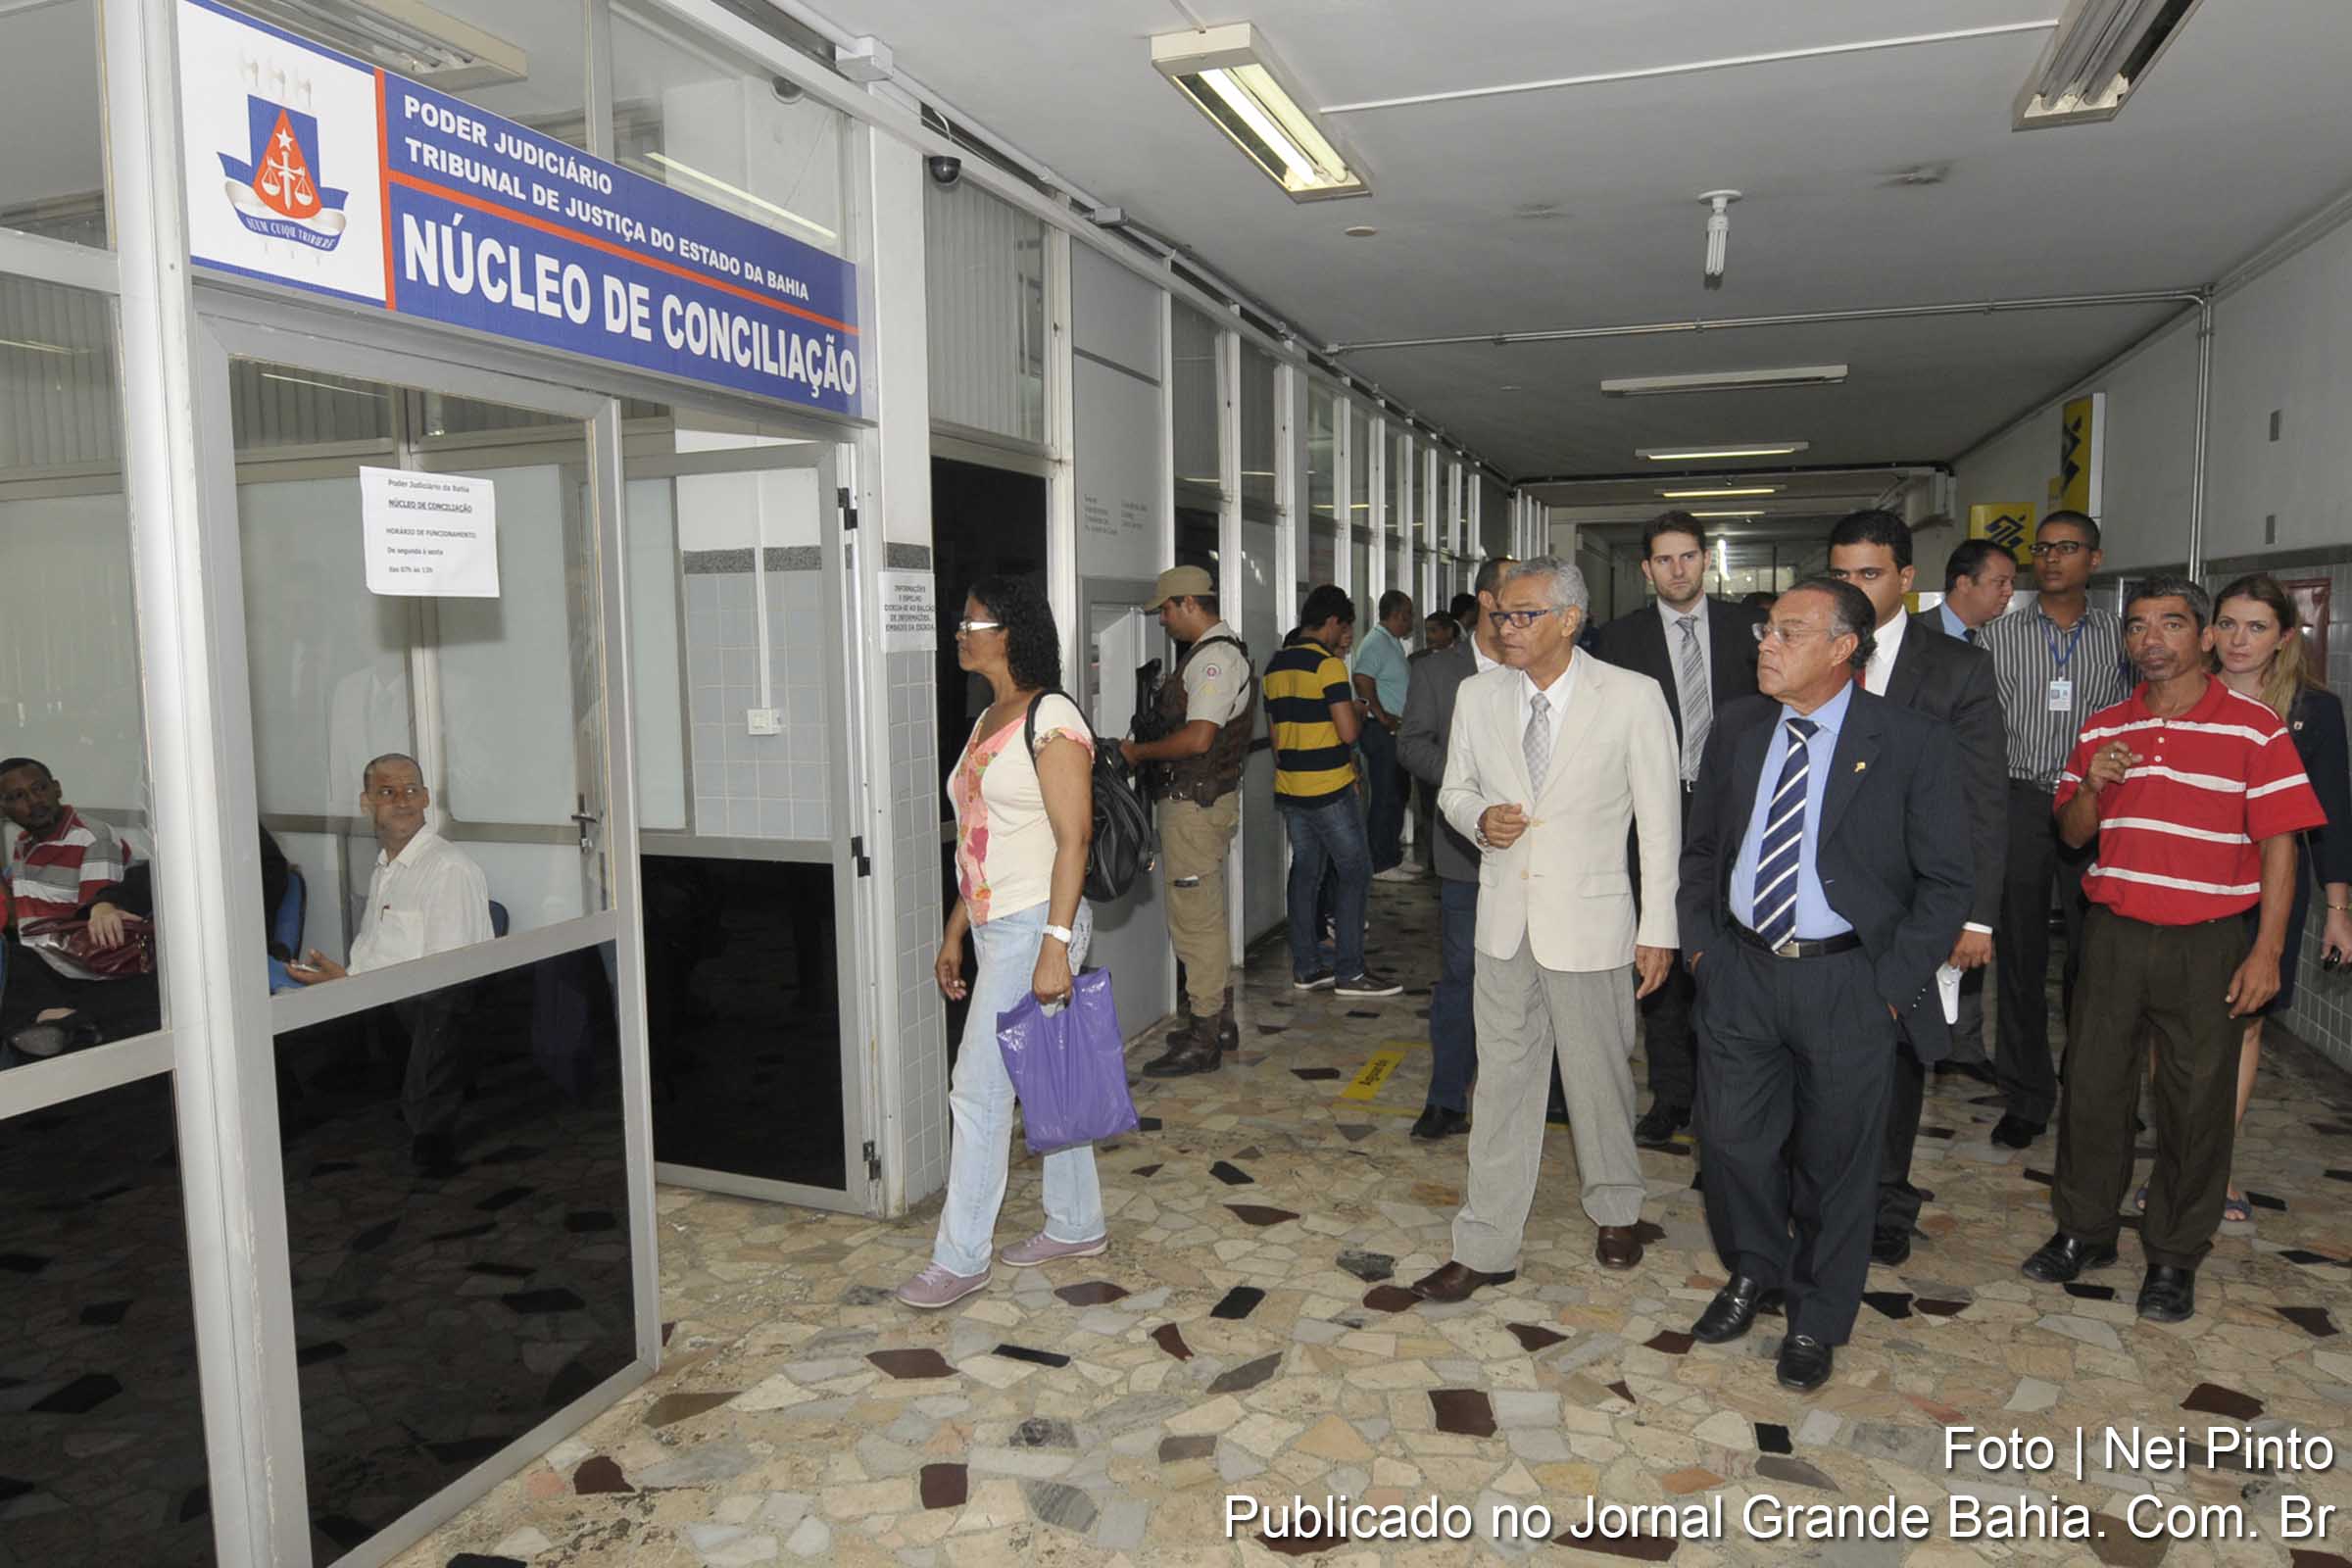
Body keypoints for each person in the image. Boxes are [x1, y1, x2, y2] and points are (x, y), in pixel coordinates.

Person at [1680, 578, 1970, 1392]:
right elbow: (1702, 850)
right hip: (1740, 970)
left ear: (1843, 648)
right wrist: (1703, 951)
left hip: (1849, 979)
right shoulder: (1738, 725)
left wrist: (1890, 985)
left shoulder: (1909, 740)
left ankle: (1816, 1315)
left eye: (1789, 632)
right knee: (1730, 1143)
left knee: (1837, 1162)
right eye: (1767, 631)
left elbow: (1948, 881)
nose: (1766, 645)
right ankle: (1755, 1269)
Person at [2023, 579, 2324, 1324]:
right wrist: (2092, 787)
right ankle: (2084, 1230)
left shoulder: (2255, 728)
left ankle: (2174, 1255)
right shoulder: (2103, 725)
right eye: (2137, 626)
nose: (2151, 639)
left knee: (2195, 1101)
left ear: (2205, 637)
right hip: (2115, 934)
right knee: (2092, 1088)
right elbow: (2073, 836)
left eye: (2171, 624)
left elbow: (2281, 847)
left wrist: (2267, 953)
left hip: (2208, 939)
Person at [1410, 558, 1680, 1301]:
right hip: (1503, 920)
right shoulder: (1478, 694)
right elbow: (1455, 789)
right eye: (1500, 614)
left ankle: (1616, 1208)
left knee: (1599, 1078)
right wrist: (1478, 818)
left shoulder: (1630, 696)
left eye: (1523, 614)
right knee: (1501, 1084)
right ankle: (1486, 1242)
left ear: (1569, 620)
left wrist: (1659, 928)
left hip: (1591, 923)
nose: (1505, 627)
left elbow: (1661, 825)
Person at [898, 577, 1102, 1309]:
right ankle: (1077, 1223)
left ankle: (960, 1259)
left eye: (973, 622)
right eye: (962, 622)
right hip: (995, 923)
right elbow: (984, 839)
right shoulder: (988, 717)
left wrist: (1055, 944)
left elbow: (1074, 839)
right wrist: (955, 929)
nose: (960, 632)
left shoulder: (1053, 718)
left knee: (977, 1089)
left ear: (1009, 632)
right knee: (1045, 1078)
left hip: (1038, 923)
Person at [1824, 512, 2007, 1266]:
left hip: (1911, 902)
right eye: (1840, 574)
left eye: (1869, 575)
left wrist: (1978, 916)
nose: (1853, 589)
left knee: (1898, 1054)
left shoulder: (1956, 668)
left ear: (1906, 578)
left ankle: (1887, 1203)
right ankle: (1823, 1194)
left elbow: (1982, 798)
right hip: (1819, 896)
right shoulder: (1811, 650)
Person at [1590, 512, 1766, 1144]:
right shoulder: (1618, 640)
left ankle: (1730, 1094)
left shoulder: (1749, 632)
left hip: (1735, 813)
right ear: (1647, 569)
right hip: (1652, 813)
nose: (1678, 570)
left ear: (1706, 560)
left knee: (1729, 951)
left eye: (1688, 556)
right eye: (1664, 560)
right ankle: (1671, 1095)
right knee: (1659, 945)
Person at [2194, 575, 2352, 1217]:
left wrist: (2339, 911)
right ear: (2210, 630)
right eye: (2229, 624)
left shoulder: (2313, 711)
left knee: (2245, 1022)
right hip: (2190, 883)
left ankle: (2213, 1170)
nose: (2239, 640)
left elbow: (2332, 815)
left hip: (2271, 891)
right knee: (2176, 1026)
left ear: (2285, 636)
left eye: (2256, 627)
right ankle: (2180, 1162)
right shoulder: (2181, 694)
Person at [1977, 512, 2132, 1150]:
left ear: (2094, 559)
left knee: (2098, 956)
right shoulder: (1996, 637)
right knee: (2020, 954)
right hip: (2020, 801)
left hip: (2098, 807)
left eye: (2067, 548)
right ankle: (2027, 1094)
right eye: (2042, 549)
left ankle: (2093, 1085)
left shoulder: (2122, 637)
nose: (2051, 559)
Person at [285, 752, 495, 1168]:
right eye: (387, 792)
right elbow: (376, 954)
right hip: (392, 1008)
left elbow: (449, 983)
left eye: (411, 790)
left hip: (432, 1014)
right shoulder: (386, 867)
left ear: (426, 799)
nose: (402, 801)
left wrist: (353, 988)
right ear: (366, 803)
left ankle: (429, 1140)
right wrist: (344, 981)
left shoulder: (448, 870)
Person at [1396, 557, 1515, 1141]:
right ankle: (1447, 1097)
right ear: (1488, 600)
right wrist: (1468, 787)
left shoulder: (1543, 666)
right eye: (1516, 595)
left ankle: (1549, 1093)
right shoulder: (1438, 672)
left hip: (1540, 854)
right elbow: (1412, 744)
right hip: (1466, 852)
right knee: (1462, 973)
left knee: (1544, 975)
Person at [1123, 565, 1255, 1079]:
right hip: (1201, 802)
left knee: (1195, 920)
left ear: (1189, 603)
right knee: (1206, 915)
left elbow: (1199, 737)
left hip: (1193, 806)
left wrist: (1139, 752)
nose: (1163, 620)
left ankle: (1204, 1038)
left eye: (1166, 610)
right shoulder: (1214, 652)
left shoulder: (1214, 660)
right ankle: (1217, 1021)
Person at [1266, 587, 1400, 999]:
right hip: (1329, 786)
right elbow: (1348, 733)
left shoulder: (1276, 665)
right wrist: (1357, 711)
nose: (1343, 636)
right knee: (1355, 871)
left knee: (1305, 872)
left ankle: (1306, 968)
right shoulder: (1328, 667)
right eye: (1343, 627)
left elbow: (1276, 741)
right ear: (1331, 622)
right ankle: (1351, 972)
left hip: (1291, 787)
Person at [0, 757, 160, 1054]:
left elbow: (95, 927)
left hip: (84, 966)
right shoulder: (24, 844)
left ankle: (58, 1019)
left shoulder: (92, 838)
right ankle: (48, 1020)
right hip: (43, 959)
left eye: (39, 788)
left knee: (10, 961)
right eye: (18, 796)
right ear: (3, 808)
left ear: (57, 788)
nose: (34, 801)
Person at [1352, 589, 1417, 880]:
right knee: (1385, 794)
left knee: (1398, 793)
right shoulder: (1376, 642)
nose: (1411, 621)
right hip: (1381, 731)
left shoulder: (1391, 642)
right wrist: (1381, 715)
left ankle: (1392, 855)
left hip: (1395, 730)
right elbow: (1362, 679)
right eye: (1409, 615)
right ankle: (1380, 863)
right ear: (1397, 615)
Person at [1934, 539, 2019, 642]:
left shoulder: (2007, 638)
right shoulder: (1917, 631)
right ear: (1964, 584)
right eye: (2001, 582)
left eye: (2012, 582)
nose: (2010, 592)